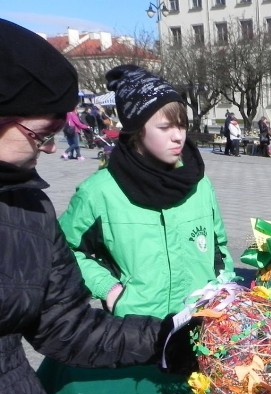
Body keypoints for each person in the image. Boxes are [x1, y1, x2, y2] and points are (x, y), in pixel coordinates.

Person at [0, 20, 184, 394]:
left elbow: (67, 324)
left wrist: (163, 337)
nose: (50, 148)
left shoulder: (25, 204)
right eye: (39, 134)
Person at [58, 64, 235, 318]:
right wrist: (108, 288)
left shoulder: (199, 183)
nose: (178, 137)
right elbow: (62, 250)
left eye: (182, 126)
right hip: (135, 330)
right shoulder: (99, 192)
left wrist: (222, 284)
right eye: (165, 127)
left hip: (200, 325)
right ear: (137, 130)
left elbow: (219, 247)